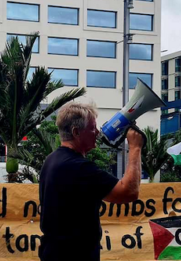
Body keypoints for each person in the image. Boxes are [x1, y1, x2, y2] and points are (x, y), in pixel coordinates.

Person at [39, 102, 144, 261]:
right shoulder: (79, 168)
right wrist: (135, 148)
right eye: (92, 128)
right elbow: (128, 192)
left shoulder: (52, 160)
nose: (97, 132)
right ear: (76, 132)